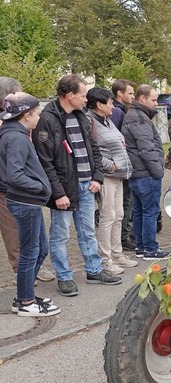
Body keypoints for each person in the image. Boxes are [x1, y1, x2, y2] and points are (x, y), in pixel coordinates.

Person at [33, 74, 123, 297]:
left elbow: (94, 149)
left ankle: (94, 270)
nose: (86, 100)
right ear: (69, 95)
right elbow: (45, 162)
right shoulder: (47, 119)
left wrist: (97, 178)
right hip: (63, 190)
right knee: (60, 236)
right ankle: (64, 276)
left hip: (87, 186)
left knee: (88, 231)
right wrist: (58, 193)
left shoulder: (83, 116)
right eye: (83, 95)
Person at [0, 92, 60, 317]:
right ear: (26, 115)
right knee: (29, 252)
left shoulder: (14, 133)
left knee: (40, 250)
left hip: (27, 202)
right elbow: (14, 176)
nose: (39, 117)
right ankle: (25, 301)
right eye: (36, 113)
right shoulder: (15, 137)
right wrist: (41, 188)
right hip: (24, 202)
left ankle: (25, 296)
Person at [86, 87, 137, 274]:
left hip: (118, 176)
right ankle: (105, 259)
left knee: (119, 215)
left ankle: (117, 254)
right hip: (106, 176)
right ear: (99, 105)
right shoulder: (89, 122)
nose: (113, 106)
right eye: (110, 103)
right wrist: (109, 165)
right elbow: (90, 150)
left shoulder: (107, 121)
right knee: (108, 216)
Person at [121, 84, 171, 261]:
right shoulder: (139, 118)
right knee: (149, 211)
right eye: (153, 99)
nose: (156, 103)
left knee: (140, 211)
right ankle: (150, 248)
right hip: (146, 174)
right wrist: (158, 171)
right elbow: (146, 149)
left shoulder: (135, 116)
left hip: (138, 173)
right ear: (142, 99)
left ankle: (142, 247)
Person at [111, 79, 137, 251]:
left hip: (122, 162)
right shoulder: (117, 113)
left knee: (126, 200)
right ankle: (123, 236)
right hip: (119, 164)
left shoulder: (123, 110)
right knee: (124, 201)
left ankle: (124, 234)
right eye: (130, 93)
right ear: (119, 93)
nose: (133, 97)